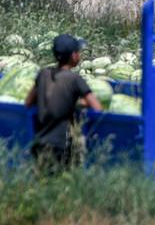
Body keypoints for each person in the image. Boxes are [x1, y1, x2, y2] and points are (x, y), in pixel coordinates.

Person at [25, 33, 101, 173]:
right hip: (61, 146)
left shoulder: (43, 74)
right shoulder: (74, 79)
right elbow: (97, 107)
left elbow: (28, 102)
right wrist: (78, 104)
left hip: (40, 142)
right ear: (74, 56)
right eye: (78, 52)